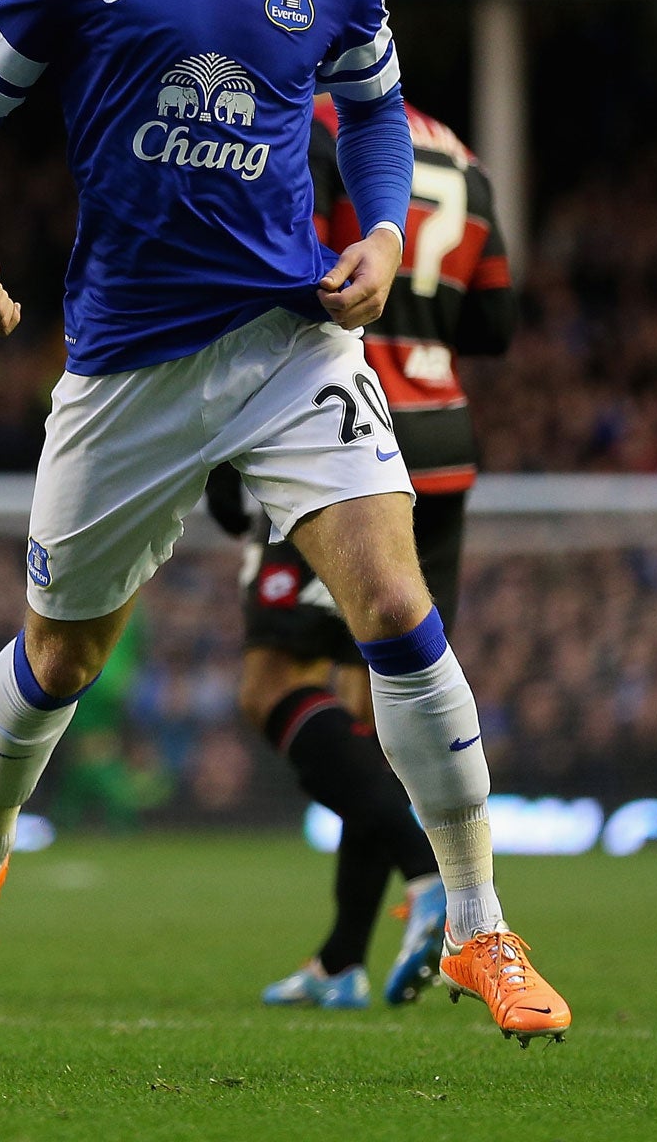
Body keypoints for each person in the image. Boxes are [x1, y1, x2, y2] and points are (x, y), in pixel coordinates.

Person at [0, 0, 569, 1045]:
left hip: (289, 341)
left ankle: (481, 926)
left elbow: (377, 111)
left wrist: (383, 236)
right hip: (127, 363)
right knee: (62, 653)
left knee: (393, 602)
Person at [206, 96, 515, 1010]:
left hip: (339, 429)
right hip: (445, 439)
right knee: (372, 706)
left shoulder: (312, 119)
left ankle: (433, 882)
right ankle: (343, 958)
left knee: (272, 681)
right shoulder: (463, 156)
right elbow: (495, 326)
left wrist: (231, 439)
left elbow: (274, 265)